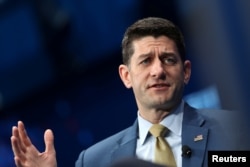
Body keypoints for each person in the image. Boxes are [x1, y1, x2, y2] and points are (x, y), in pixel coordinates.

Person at [11, 17, 244, 167]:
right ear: (125, 76)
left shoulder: (236, 131)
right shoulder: (94, 161)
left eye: (168, 59)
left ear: (185, 71)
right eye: (145, 61)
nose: (158, 71)